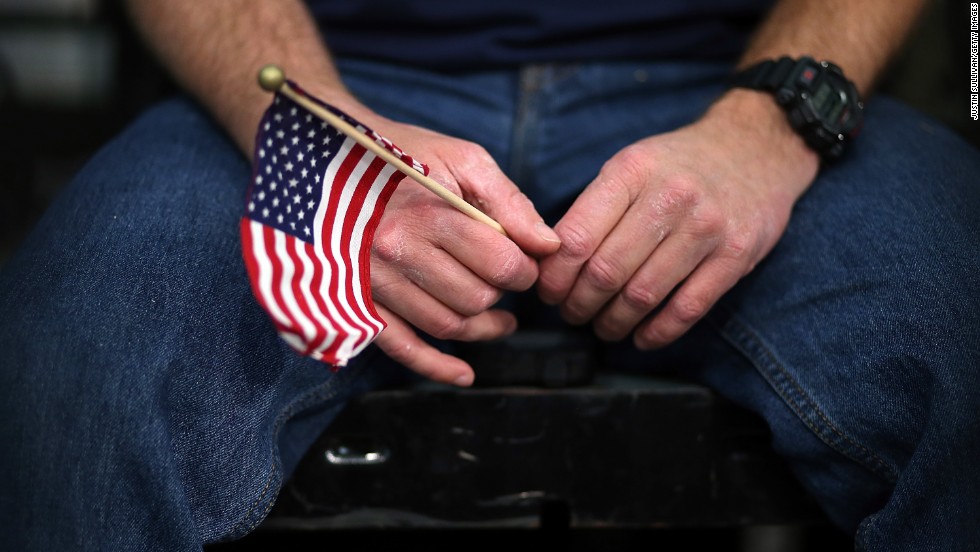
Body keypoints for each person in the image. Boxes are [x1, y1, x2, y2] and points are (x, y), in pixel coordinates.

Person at [1, 0, 977, 549]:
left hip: (733, 89)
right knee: (81, 365)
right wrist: (320, 130)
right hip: (319, 85)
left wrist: (776, 118)